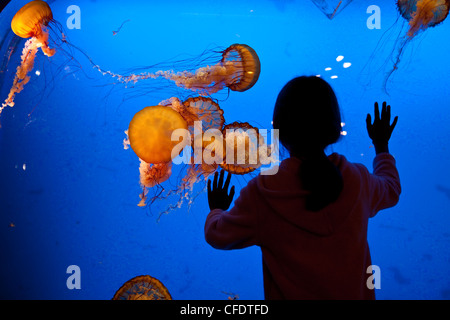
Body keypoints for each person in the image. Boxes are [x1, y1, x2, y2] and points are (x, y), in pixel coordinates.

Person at [204, 76, 401, 299]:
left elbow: (217, 235)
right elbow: (392, 189)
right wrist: (381, 145)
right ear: (335, 128)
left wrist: (216, 210)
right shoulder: (357, 179)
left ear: (277, 128)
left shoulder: (263, 193)